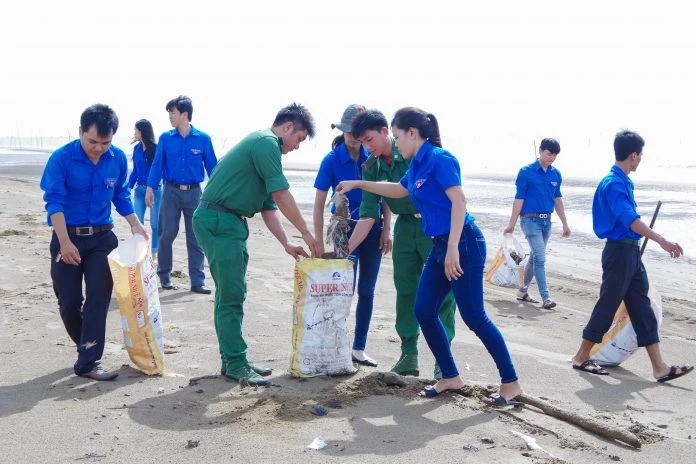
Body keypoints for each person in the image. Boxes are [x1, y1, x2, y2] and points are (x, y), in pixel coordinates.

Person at [337, 107, 523, 404]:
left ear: (412, 133)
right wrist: (358, 183)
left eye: (397, 137)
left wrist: (452, 251)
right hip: (439, 245)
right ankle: (450, 375)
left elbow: (459, 201)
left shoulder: (439, 158)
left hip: (462, 244)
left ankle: (510, 382)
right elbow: (398, 190)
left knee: (475, 317)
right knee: (423, 310)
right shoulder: (416, 165)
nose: (395, 143)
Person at [192, 103, 321, 386]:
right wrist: (307, 234)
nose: (297, 147)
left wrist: (288, 243)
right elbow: (282, 192)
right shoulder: (266, 143)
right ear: (287, 127)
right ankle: (236, 362)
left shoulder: (265, 150)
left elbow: (269, 207)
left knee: (232, 292)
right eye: (299, 139)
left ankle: (232, 359)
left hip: (228, 221)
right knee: (231, 295)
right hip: (219, 220)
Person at [570, 130, 693, 382]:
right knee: (608, 303)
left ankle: (659, 367)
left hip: (630, 253)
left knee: (642, 308)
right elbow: (630, 220)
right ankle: (581, 356)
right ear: (634, 155)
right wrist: (662, 240)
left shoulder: (623, 181)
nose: (641, 160)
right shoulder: (614, 184)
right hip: (619, 253)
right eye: (641, 156)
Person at [40, 103, 149, 381]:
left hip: (102, 239)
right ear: (80, 131)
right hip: (68, 236)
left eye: (105, 142)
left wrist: (136, 225)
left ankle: (89, 362)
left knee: (98, 300)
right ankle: (85, 344)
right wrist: (64, 243)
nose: (99, 148)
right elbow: (54, 202)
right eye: (92, 141)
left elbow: (120, 194)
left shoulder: (117, 159)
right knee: (69, 301)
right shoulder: (61, 159)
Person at [348, 109, 456, 379]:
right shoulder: (371, 167)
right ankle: (409, 355)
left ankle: (444, 361)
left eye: (370, 139)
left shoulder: (413, 151)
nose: (367, 147)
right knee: (406, 291)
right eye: (362, 142)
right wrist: (345, 250)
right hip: (406, 228)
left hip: (434, 226)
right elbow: (368, 214)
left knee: (443, 295)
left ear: (386, 132)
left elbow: (449, 195)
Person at [313, 104, 390, 368]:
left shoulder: (374, 158)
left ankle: (359, 348)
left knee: (366, 291)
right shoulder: (332, 160)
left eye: (356, 131)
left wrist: (387, 229)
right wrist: (316, 238)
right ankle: (335, 345)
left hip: (373, 229)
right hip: (343, 230)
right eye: (347, 130)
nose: (352, 135)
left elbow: (386, 194)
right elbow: (319, 202)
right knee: (341, 290)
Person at [146, 95, 217, 294]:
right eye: (169, 112)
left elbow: (213, 167)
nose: (170, 116)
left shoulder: (203, 139)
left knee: (196, 236)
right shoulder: (166, 138)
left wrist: (220, 191)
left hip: (195, 194)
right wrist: (150, 187)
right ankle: (164, 276)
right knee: (166, 233)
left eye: (173, 112)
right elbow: (157, 164)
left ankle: (197, 281)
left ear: (184, 114)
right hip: (171, 192)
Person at [504, 138, 570, 309]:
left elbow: (558, 199)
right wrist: (511, 223)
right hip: (529, 220)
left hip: (546, 222)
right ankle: (546, 298)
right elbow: (519, 198)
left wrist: (565, 223)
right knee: (540, 258)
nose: (552, 158)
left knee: (534, 258)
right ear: (540, 151)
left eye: (555, 155)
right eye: (549, 154)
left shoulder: (556, 174)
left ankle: (522, 291)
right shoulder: (526, 172)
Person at [129, 119, 161, 259]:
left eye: (136, 130)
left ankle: (154, 254)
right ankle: (140, 251)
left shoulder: (156, 149)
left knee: (155, 224)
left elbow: (160, 171)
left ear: (142, 132)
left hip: (155, 191)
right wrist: (127, 188)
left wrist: (152, 187)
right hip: (139, 191)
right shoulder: (136, 150)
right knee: (137, 223)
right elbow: (135, 171)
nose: (134, 133)